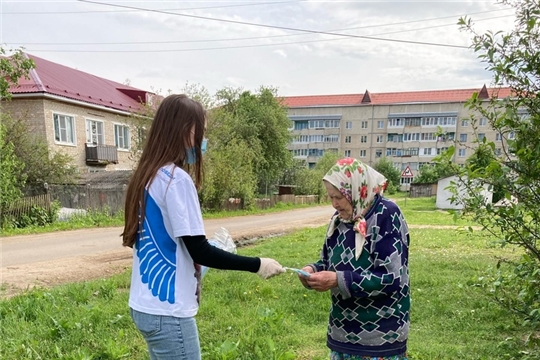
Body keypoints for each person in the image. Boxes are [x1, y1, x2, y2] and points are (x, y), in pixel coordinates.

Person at [122, 94, 285, 360]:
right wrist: (258, 264)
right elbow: (199, 251)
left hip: (145, 307)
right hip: (170, 312)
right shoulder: (176, 180)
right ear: (186, 130)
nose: (204, 141)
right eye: (203, 132)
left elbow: (174, 245)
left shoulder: (148, 175)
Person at [298, 157, 410, 360]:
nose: (334, 204)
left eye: (338, 197)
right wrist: (312, 270)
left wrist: (337, 280)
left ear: (356, 189)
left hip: (380, 338)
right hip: (342, 334)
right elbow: (328, 262)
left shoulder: (387, 215)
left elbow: (391, 277)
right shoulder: (339, 220)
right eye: (330, 197)